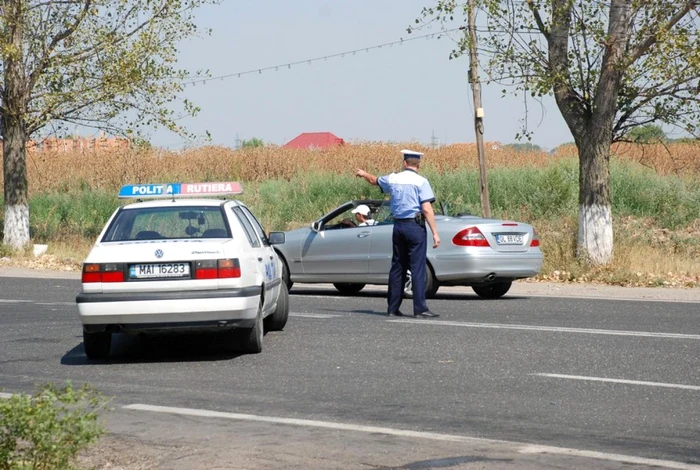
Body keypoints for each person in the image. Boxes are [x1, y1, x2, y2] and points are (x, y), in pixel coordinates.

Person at [355, 149, 440, 318]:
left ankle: (393, 308)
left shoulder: (393, 178)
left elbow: (374, 180)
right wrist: (435, 233)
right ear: (419, 165)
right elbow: (426, 209)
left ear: (404, 163)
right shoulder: (421, 182)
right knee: (417, 269)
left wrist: (363, 173)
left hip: (398, 226)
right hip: (415, 227)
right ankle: (420, 309)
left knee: (397, 267)